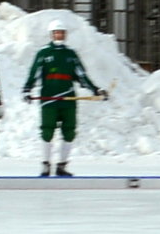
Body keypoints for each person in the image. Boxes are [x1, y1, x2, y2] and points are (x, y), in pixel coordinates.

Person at [22, 20, 107, 177]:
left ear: (65, 35)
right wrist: (27, 89)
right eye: (56, 33)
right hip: (49, 100)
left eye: (62, 32)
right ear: (51, 34)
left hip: (68, 100)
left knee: (69, 132)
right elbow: (34, 73)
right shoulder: (44, 53)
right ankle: (46, 165)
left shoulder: (71, 54)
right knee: (47, 131)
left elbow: (81, 75)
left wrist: (95, 89)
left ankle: (62, 165)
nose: (59, 35)